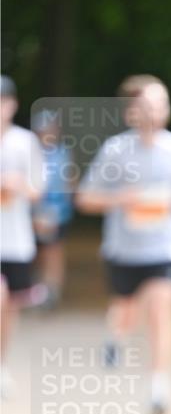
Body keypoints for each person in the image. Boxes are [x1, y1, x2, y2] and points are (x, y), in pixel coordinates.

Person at [76, 75, 171, 414]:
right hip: (124, 249)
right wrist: (122, 198)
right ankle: (114, 339)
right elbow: (85, 198)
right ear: (131, 111)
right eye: (148, 105)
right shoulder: (115, 150)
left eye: (161, 103)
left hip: (165, 247)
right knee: (125, 311)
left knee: (161, 310)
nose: (156, 111)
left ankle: (159, 391)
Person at [0, 75, 46, 397]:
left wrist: (16, 186)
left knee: (9, 307)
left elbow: (37, 190)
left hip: (15, 239)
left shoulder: (24, 142)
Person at [32, 109, 77, 309]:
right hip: (35, 210)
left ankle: (53, 290)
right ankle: (39, 289)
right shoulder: (31, 152)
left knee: (55, 250)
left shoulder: (64, 153)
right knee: (39, 251)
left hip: (59, 211)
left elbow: (70, 180)